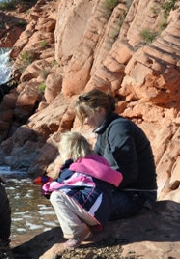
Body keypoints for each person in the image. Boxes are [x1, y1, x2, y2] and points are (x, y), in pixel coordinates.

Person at [74, 89, 158, 220]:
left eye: (85, 115)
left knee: (80, 207)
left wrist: (98, 188)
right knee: (72, 198)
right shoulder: (105, 130)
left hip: (137, 196)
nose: (84, 121)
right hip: (123, 192)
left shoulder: (119, 129)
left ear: (100, 110)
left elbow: (128, 174)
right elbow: (93, 164)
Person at [42, 131, 123, 248]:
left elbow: (56, 186)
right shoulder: (99, 161)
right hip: (103, 212)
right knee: (74, 194)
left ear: (68, 151)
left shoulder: (76, 166)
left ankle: (79, 232)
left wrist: (45, 187)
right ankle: (85, 224)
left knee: (56, 196)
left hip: (92, 213)